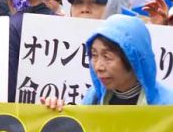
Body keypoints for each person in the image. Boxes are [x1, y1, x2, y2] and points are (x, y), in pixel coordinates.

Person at [42, 14, 173, 111]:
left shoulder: (167, 105)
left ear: (134, 59)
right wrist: (56, 113)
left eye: (107, 56)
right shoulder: (93, 99)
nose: (98, 67)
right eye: (94, 55)